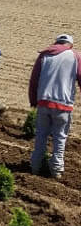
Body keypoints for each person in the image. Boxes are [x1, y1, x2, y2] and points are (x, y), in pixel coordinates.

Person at [28, 34, 80, 180]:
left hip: (43, 101)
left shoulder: (45, 55)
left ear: (56, 43)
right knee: (60, 137)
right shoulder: (75, 56)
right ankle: (56, 170)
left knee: (41, 135)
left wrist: (33, 100)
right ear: (70, 45)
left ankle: (35, 166)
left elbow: (34, 79)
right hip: (63, 104)